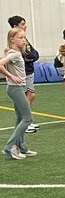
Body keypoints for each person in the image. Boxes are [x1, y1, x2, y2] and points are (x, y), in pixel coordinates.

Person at [0, 27, 38, 159]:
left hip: (17, 88)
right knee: (27, 118)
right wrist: (11, 76)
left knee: (21, 118)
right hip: (15, 88)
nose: (24, 40)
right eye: (21, 38)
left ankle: (22, 147)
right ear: (12, 39)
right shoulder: (14, 54)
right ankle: (10, 147)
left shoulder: (14, 52)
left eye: (24, 37)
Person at [7, 15, 40, 132]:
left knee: (30, 95)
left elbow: (34, 54)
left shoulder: (24, 39)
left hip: (28, 71)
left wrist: (32, 57)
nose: (25, 26)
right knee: (28, 96)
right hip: (22, 74)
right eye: (22, 24)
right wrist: (11, 75)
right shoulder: (15, 41)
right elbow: (26, 55)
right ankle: (26, 121)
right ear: (15, 26)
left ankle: (27, 121)